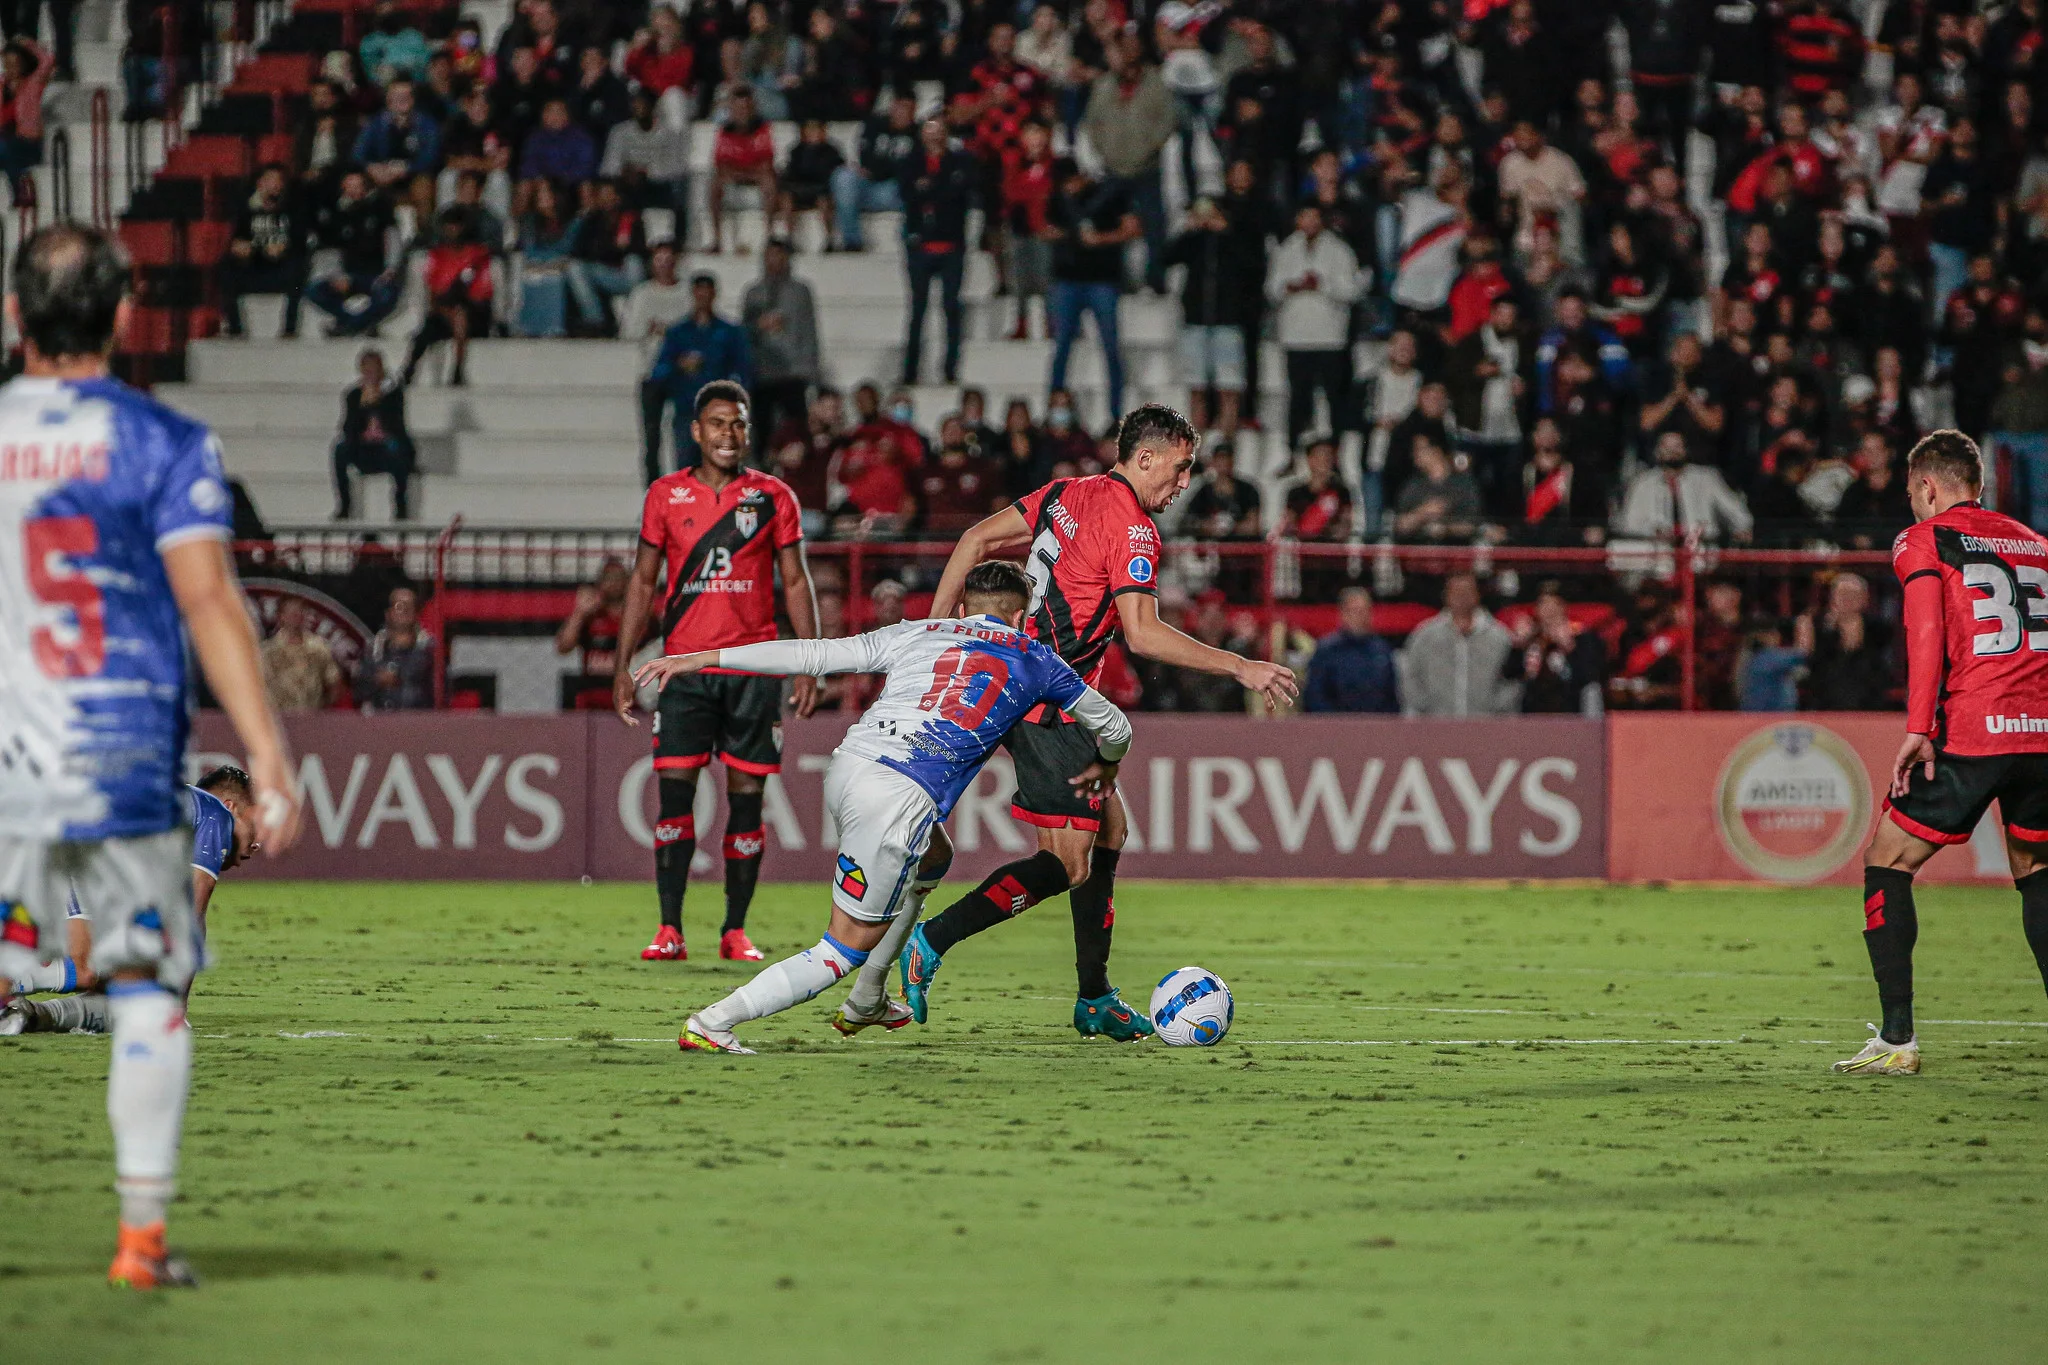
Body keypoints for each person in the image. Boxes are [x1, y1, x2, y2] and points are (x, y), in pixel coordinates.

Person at [0, 224, 303, 1289]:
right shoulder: (165, 442)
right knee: (148, 991)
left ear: (13, 316)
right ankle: (140, 1241)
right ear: (124, 318)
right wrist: (266, 757)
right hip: (122, 743)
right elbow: (211, 601)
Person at [888, 405, 1297, 1034]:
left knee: (1108, 834)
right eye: (1180, 468)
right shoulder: (1134, 529)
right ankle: (933, 941)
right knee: (1068, 863)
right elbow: (1143, 633)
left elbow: (973, 540)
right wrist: (1240, 666)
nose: (1184, 483)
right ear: (1144, 459)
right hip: (1051, 700)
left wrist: (940, 634)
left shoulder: (1064, 491)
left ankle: (1093, 996)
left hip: (1021, 681)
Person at [637, 560, 1132, 1053]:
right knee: (842, 948)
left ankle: (867, 1001)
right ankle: (714, 1022)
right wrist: (1106, 768)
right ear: (1023, 617)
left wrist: (703, 658)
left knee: (935, 856)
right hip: (898, 798)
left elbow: (814, 654)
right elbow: (1115, 727)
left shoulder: (919, 631)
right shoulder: (1038, 658)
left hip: (851, 766)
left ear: (962, 609)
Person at [1835, 431, 2048, 1078]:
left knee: (1887, 860)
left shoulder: (1922, 539)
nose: (1912, 504)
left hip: (1979, 726)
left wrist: (1919, 723)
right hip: (2044, 729)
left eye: (1911, 493)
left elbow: (1925, 627)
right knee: (2036, 868)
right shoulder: (2038, 545)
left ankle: (1897, 1037)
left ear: (1928, 486)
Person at [612, 381, 821, 965]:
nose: (729, 434)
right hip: (683, 670)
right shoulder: (665, 495)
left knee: (747, 798)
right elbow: (641, 582)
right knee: (675, 799)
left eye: (739, 424)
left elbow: (796, 580)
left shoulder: (774, 496)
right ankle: (669, 927)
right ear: (697, 431)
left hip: (754, 668)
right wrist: (623, 663)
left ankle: (735, 930)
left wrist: (810, 658)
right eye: (718, 424)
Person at [4, 767, 258, 1035]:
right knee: (90, 968)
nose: (257, 844)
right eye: (257, 823)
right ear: (230, 807)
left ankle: (31, 1016)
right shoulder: (216, 816)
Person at [1045, 157, 1138, 418]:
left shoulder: (1109, 194)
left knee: (1110, 346)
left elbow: (1131, 229)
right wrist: (1066, 235)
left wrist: (1101, 239)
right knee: (1061, 346)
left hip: (1102, 279)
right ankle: (1055, 409)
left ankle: (1116, 413)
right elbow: (1048, 229)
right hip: (1067, 279)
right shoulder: (1058, 199)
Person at [1268, 204, 1362, 454]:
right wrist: (1290, 287)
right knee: (1298, 397)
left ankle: (1336, 451)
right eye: (1304, 216)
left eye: (1313, 217)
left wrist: (1322, 285)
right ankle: (1293, 450)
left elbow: (1352, 290)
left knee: (1334, 397)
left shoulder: (1340, 250)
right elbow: (1271, 288)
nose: (1308, 222)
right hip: (1295, 336)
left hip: (1330, 337)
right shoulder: (1287, 249)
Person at [899, 117, 975, 386]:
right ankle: (910, 371)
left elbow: (958, 193)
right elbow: (908, 193)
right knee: (917, 311)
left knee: (951, 309)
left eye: (939, 131)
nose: (933, 137)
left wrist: (929, 188)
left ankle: (950, 369)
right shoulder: (911, 162)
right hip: (920, 247)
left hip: (951, 246)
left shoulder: (960, 161)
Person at [1165, 196, 1248, 441]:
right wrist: (1189, 230)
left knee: (1229, 388)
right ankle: (1197, 448)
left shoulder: (1233, 239)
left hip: (1228, 320)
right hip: (1196, 321)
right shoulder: (1193, 241)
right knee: (1197, 388)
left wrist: (1225, 233)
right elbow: (1166, 257)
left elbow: (1249, 264)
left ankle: (1226, 445)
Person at [649, 273, 753, 466]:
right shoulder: (677, 333)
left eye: (707, 293)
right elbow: (659, 371)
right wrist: (679, 365)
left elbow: (743, 371)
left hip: (721, 416)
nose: (703, 298)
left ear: (714, 295)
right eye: (699, 293)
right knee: (688, 474)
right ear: (693, 294)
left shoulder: (729, 332)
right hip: (687, 412)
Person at [621, 241, 692, 483]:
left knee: (685, 434)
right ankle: (653, 490)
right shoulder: (642, 294)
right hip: (652, 372)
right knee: (651, 437)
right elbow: (629, 331)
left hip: (683, 375)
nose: (664, 266)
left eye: (668, 260)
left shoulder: (686, 294)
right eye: (659, 260)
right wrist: (651, 327)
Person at [741, 238, 819, 458]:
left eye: (780, 256)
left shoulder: (801, 291)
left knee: (797, 431)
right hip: (762, 372)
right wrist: (759, 325)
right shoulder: (753, 293)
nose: (775, 261)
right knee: (763, 432)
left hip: (793, 372)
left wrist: (810, 370)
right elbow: (743, 333)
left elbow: (809, 331)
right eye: (770, 256)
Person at [1401, 573, 1520, 717]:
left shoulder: (1499, 637)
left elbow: (1513, 680)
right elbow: (1410, 676)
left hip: (1486, 727)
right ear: (1446, 596)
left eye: (1467, 592)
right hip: (1436, 727)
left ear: (1477, 595)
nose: (1462, 597)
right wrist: (1427, 710)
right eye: (1456, 592)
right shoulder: (1425, 636)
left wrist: (1495, 710)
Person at [401, 206, 494, 387]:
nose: (452, 231)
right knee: (427, 330)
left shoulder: (478, 255)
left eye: (457, 226)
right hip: (445, 310)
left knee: (460, 316)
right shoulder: (438, 255)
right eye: (449, 226)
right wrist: (445, 309)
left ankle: (458, 371)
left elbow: (482, 293)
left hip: (474, 313)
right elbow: (434, 292)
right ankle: (409, 369)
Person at [1614, 431, 1754, 544]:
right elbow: (1628, 523)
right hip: (1655, 551)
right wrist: (1653, 532)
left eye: (1677, 446)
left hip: (1701, 549)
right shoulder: (1642, 482)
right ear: (1656, 452)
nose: (1672, 451)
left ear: (1685, 450)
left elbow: (1738, 513)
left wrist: (1741, 529)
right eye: (1666, 447)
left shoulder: (1707, 478)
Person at [218, 164, 305, 339]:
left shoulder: (292, 209)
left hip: (282, 267)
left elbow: (298, 241)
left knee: (297, 269)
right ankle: (235, 328)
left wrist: (282, 248)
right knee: (225, 267)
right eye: (270, 180)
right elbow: (239, 242)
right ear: (260, 183)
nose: (275, 185)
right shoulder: (246, 210)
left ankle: (289, 329)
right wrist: (251, 249)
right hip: (254, 266)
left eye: (278, 181)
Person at [332, 349, 415, 520]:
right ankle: (345, 505)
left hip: (385, 448)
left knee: (398, 449)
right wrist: (363, 406)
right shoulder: (353, 395)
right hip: (362, 448)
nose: (370, 374)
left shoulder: (393, 394)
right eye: (366, 369)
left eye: (374, 369)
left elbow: (397, 427)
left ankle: (401, 505)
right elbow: (348, 429)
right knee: (339, 450)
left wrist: (378, 403)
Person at [1504, 582, 1606, 714]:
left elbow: (1590, 678)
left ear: (1564, 608)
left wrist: (1569, 648)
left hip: (1571, 712)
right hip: (1533, 713)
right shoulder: (1531, 639)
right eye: (1543, 604)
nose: (1549, 611)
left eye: (1554, 605)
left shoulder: (1582, 637)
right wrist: (1518, 646)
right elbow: (1510, 675)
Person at [831, 91, 916, 252]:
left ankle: (910, 239)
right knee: (843, 177)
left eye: (908, 109)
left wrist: (881, 170)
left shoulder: (917, 134)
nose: (903, 113)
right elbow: (866, 160)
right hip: (868, 187)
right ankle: (852, 242)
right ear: (893, 107)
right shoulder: (874, 125)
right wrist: (886, 168)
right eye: (900, 107)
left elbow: (911, 169)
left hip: (896, 191)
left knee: (913, 185)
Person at [1304, 588, 1399, 713]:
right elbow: (1314, 696)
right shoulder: (1326, 651)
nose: (1360, 617)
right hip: (1334, 727)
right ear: (1343, 614)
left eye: (1364, 611)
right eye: (1354, 611)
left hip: (1376, 727)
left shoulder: (1382, 650)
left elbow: (1392, 697)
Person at [708, 87, 776, 255]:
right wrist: (740, 172)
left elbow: (766, 163)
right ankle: (717, 239)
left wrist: (744, 172)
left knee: (769, 181)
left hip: (756, 176)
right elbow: (721, 164)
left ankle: (770, 235)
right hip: (735, 175)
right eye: (738, 109)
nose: (742, 113)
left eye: (746, 108)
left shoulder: (762, 129)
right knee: (714, 185)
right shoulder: (725, 131)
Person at [555, 556, 627, 709]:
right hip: (592, 702)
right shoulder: (590, 618)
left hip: (629, 703)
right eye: (608, 578)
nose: (614, 583)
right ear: (599, 583)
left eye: (618, 578)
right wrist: (579, 612)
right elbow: (563, 647)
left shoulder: (640, 621)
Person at [354, 586, 434, 710]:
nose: (404, 610)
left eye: (409, 606)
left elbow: (440, 692)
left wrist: (400, 677)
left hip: (416, 722)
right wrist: (377, 680)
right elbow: (359, 690)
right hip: (378, 722)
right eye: (399, 606)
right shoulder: (373, 649)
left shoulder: (429, 649)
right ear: (388, 613)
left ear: (416, 613)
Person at [260, 596, 342, 711]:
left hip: (311, 718)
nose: (296, 616)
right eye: (292, 612)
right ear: (281, 616)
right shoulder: (267, 652)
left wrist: (323, 711)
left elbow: (334, 682)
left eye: (300, 611)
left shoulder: (319, 647)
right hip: (278, 719)